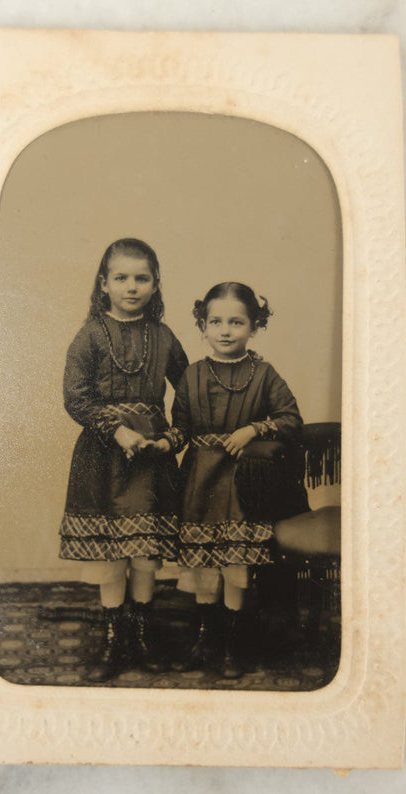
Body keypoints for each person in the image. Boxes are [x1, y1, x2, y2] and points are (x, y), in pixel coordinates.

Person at [157, 281, 305, 679]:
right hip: (200, 483)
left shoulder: (264, 373)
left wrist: (255, 429)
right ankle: (208, 638)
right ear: (202, 326)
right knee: (205, 567)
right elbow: (182, 428)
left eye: (236, 322)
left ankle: (234, 642)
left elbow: (292, 419)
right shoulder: (190, 375)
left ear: (254, 327)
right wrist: (163, 442)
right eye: (215, 321)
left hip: (242, 485)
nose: (225, 330)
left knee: (236, 565)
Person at [58, 238, 188, 682]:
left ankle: (143, 634)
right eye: (121, 277)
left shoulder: (165, 337)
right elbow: (76, 398)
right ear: (104, 283)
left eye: (142, 278)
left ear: (155, 284)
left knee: (146, 554)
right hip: (103, 459)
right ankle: (117, 640)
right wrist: (116, 430)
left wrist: (171, 439)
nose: (131, 287)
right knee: (113, 553)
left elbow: (190, 395)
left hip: (151, 463)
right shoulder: (90, 335)